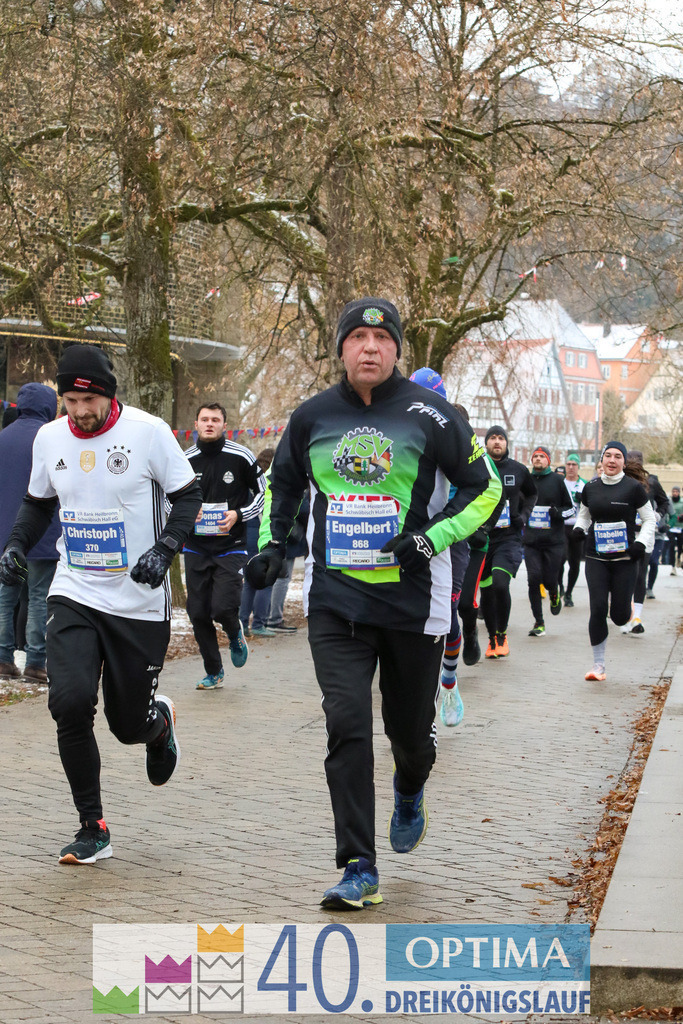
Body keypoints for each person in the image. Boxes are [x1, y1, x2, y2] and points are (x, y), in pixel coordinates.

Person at [245, 297, 502, 909]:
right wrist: (270, 548)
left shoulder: (431, 416)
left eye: (381, 339)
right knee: (347, 726)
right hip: (336, 605)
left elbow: (485, 487)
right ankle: (358, 865)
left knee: (408, 736)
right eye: (356, 336)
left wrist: (429, 537)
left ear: (396, 351)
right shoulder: (311, 417)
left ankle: (410, 788)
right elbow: (281, 487)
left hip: (410, 605)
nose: (369, 347)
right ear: (340, 348)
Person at [0, 344, 202, 864]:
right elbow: (40, 502)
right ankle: (93, 826)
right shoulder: (49, 437)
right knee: (68, 702)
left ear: (109, 394)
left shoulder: (147, 431)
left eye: (88, 401)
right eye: (69, 400)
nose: (80, 412)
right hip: (76, 589)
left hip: (137, 599)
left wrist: (165, 549)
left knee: (125, 724)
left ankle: (158, 726)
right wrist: (17, 545)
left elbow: (188, 495)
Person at [183, 404, 265, 688]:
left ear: (223, 425)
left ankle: (234, 633)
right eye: (204, 419)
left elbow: (263, 493)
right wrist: (186, 513)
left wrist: (238, 514)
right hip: (196, 546)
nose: (209, 424)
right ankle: (214, 671)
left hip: (231, 544)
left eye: (215, 420)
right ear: (196, 424)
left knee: (222, 608)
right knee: (197, 612)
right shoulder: (185, 460)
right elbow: (169, 496)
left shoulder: (241, 455)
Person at [572, 441, 655, 680]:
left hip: (625, 558)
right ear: (601, 460)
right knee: (598, 608)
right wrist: (579, 529)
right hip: (595, 556)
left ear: (623, 462)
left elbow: (649, 519)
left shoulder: (633, 488)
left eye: (617, 456)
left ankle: (624, 607)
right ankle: (598, 666)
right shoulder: (591, 487)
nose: (611, 460)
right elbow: (584, 516)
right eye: (607, 455)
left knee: (619, 617)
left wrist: (640, 543)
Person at [0, 384, 60, 682]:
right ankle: (36, 662)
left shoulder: (2, 438)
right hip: (43, 533)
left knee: (5, 596)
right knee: (38, 598)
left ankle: (2, 657)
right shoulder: (51, 438)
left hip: (6, 536)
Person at [479, 425, 536, 658]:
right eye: (492, 438)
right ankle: (492, 638)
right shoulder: (476, 468)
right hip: (481, 538)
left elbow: (532, 493)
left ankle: (502, 634)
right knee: (487, 591)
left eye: (500, 438)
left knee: (501, 584)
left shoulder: (518, 470)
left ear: (506, 443)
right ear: (486, 443)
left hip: (509, 538)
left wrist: (523, 516)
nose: (497, 442)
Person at [523, 446, 574, 636]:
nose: (537, 459)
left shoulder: (558, 480)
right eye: (534, 456)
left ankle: (554, 593)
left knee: (550, 579)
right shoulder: (526, 480)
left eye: (541, 457)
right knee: (533, 579)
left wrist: (558, 513)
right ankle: (539, 621)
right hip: (531, 541)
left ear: (548, 461)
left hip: (554, 541)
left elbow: (571, 508)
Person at [240, 448, 276, 637]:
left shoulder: (249, 480)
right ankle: (259, 624)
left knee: (248, 582)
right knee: (265, 581)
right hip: (265, 534)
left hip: (247, 534)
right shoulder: (271, 482)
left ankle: (243, 622)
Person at [560, 454, 586, 608]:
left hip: (577, 527)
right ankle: (560, 587)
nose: (570, 467)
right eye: (568, 464)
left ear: (578, 467)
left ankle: (569, 592)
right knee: (560, 558)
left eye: (574, 465)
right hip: (562, 526)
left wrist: (583, 500)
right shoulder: (560, 482)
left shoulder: (584, 484)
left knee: (575, 562)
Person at [666, 485, 683, 575]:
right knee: (671, 545)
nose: (675, 493)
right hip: (671, 527)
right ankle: (673, 567)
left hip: (680, 527)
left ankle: (679, 558)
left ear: (679, 493)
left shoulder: (682, 502)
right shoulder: (669, 502)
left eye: (677, 492)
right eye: (673, 492)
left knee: (680, 546)